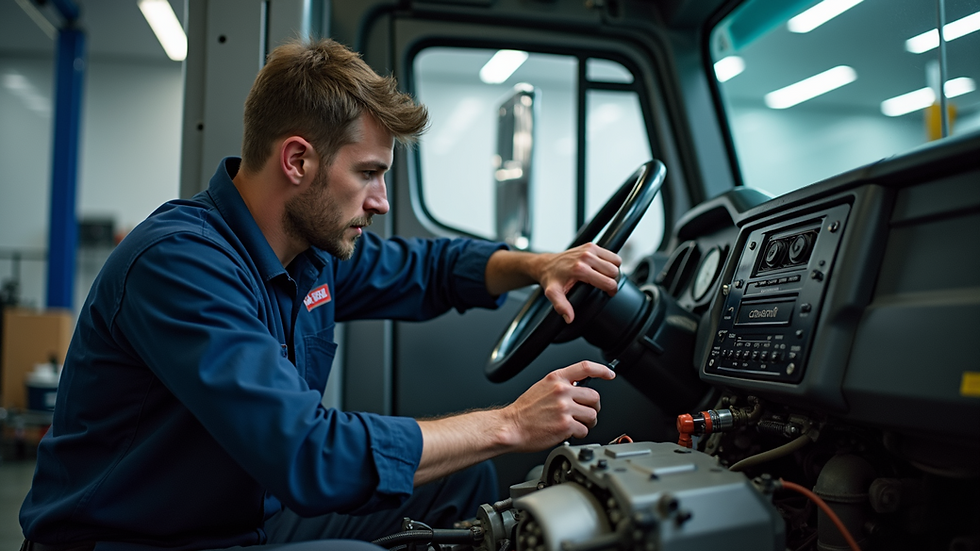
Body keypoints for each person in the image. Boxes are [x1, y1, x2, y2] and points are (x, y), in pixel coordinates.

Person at [19, 38, 620, 551]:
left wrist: (538, 264)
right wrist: (510, 424)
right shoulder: (179, 264)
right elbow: (308, 454)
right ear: (298, 160)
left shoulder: (307, 256)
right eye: (368, 173)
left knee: (459, 486)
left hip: (248, 516)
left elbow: (430, 268)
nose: (381, 200)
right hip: (140, 540)